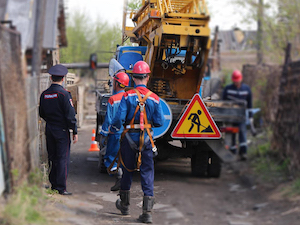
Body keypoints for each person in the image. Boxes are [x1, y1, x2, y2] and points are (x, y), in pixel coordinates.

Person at [109, 61, 165, 223]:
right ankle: (147, 212)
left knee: (127, 169)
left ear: (133, 78)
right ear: (147, 77)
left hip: (129, 138)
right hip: (147, 139)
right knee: (147, 171)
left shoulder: (127, 96)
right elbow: (160, 121)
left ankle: (125, 206)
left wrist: (115, 129)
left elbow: (119, 119)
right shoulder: (154, 98)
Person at [39, 64, 78, 195]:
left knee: (52, 157)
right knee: (62, 158)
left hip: (49, 129)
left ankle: (53, 184)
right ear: (63, 78)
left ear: (51, 77)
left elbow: (41, 113)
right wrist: (74, 130)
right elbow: (70, 114)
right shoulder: (64, 94)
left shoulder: (44, 94)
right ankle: (61, 188)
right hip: (62, 130)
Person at [99, 71, 129, 191]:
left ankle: (118, 176)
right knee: (125, 157)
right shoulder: (129, 98)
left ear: (116, 84)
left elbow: (109, 119)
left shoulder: (113, 99)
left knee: (110, 157)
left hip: (115, 133)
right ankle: (123, 179)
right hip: (128, 133)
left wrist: (104, 134)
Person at [223, 70, 252, 161]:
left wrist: (251, 117)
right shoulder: (228, 89)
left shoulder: (246, 89)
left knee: (242, 134)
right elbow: (223, 103)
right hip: (230, 117)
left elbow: (250, 104)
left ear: (241, 79)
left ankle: (243, 152)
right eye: (235, 81)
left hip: (241, 117)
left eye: (237, 80)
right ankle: (232, 151)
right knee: (231, 134)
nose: (236, 82)